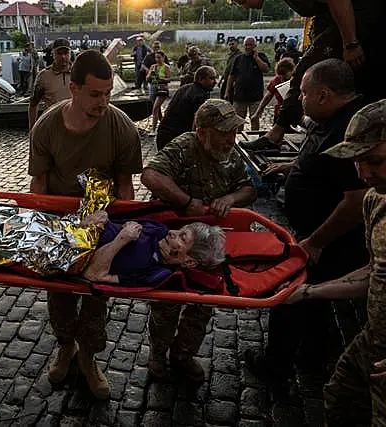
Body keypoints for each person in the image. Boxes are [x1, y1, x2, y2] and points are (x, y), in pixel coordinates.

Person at [245, 59, 369, 394]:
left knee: (288, 295)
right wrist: (291, 168)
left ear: (324, 95)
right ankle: (314, 354)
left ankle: (275, 367)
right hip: (317, 231)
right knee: (314, 301)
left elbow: (355, 202)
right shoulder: (326, 120)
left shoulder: (352, 129)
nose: (298, 99)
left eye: (303, 93)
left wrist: (315, 242)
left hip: (330, 237)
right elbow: (319, 161)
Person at [28, 50, 143, 399]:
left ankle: (89, 358)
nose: (103, 102)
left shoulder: (120, 125)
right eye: (95, 94)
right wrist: (41, 231)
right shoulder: (47, 127)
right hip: (61, 221)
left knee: (96, 293)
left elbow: (125, 185)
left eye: (108, 93)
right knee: (59, 292)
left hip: (103, 221)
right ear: (73, 89)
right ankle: (66, 347)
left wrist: (122, 232)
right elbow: (38, 185)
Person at [277, 99, 386, 425]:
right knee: (339, 398)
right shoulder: (375, 198)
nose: (363, 173)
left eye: (375, 161)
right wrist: (310, 291)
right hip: (374, 340)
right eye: (355, 162)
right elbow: (376, 273)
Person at [141, 99, 257, 382]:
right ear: (202, 130)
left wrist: (230, 198)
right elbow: (150, 175)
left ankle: (183, 355)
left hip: (206, 244)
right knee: (166, 305)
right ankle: (158, 355)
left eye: (233, 132)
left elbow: (250, 188)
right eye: (223, 132)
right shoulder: (185, 146)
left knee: (202, 305)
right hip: (174, 242)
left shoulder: (230, 153)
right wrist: (186, 201)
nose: (230, 139)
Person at [234, 0, 386, 152]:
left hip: (361, 18)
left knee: (308, 74)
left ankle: (277, 133)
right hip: (343, 20)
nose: (238, 3)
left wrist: (350, 43)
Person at [82, 215, 226, 285]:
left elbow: (92, 274)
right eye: (179, 230)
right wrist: (102, 217)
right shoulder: (159, 230)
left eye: (182, 238)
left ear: (189, 262)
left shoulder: (155, 273)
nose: (171, 232)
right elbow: (116, 222)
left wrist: (122, 239)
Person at [155, 66, 217, 151]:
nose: (215, 82)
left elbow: (168, 110)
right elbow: (197, 122)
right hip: (177, 138)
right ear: (200, 79)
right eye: (212, 78)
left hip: (163, 134)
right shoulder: (200, 95)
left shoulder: (184, 88)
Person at [226, 37, 270, 131]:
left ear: (255, 46)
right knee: (238, 121)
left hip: (255, 96)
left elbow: (266, 69)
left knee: (254, 119)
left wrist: (257, 59)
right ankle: (238, 139)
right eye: (246, 45)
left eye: (250, 45)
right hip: (239, 96)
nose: (248, 47)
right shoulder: (239, 58)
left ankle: (254, 137)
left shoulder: (261, 56)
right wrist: (227, 91)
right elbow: (232, 76)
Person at [29, 38, 72, 129]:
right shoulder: (44, 76)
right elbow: (33, 104)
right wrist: (32, 129)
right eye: (59, 53)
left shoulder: (79, 73)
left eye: (66, 53)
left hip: (75, 126)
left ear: (70, 54)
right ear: (53, 54)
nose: (63, 57)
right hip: (52, 127)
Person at [251, 57, 295, 124]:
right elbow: (267, 97)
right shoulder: (276, 80)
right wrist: (257, 113)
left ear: (291, 71)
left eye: (285, 77)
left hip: (294, 114)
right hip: (279, 114)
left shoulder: (297, 80)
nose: (282, 80)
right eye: (280, 77)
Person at [146, 51, 172, 137]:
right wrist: (150, 75)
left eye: (159, 57)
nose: (157, 59)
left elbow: (168, 79)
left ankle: (153, 129)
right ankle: (164, 125)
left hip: (162, 89)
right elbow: (147, 79)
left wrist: (159, 77)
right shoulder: (153, 66)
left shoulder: (166, 67)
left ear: (163, 58)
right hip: (153, 88)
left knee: (155, 108)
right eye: (156, 57)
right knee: (158, 110)